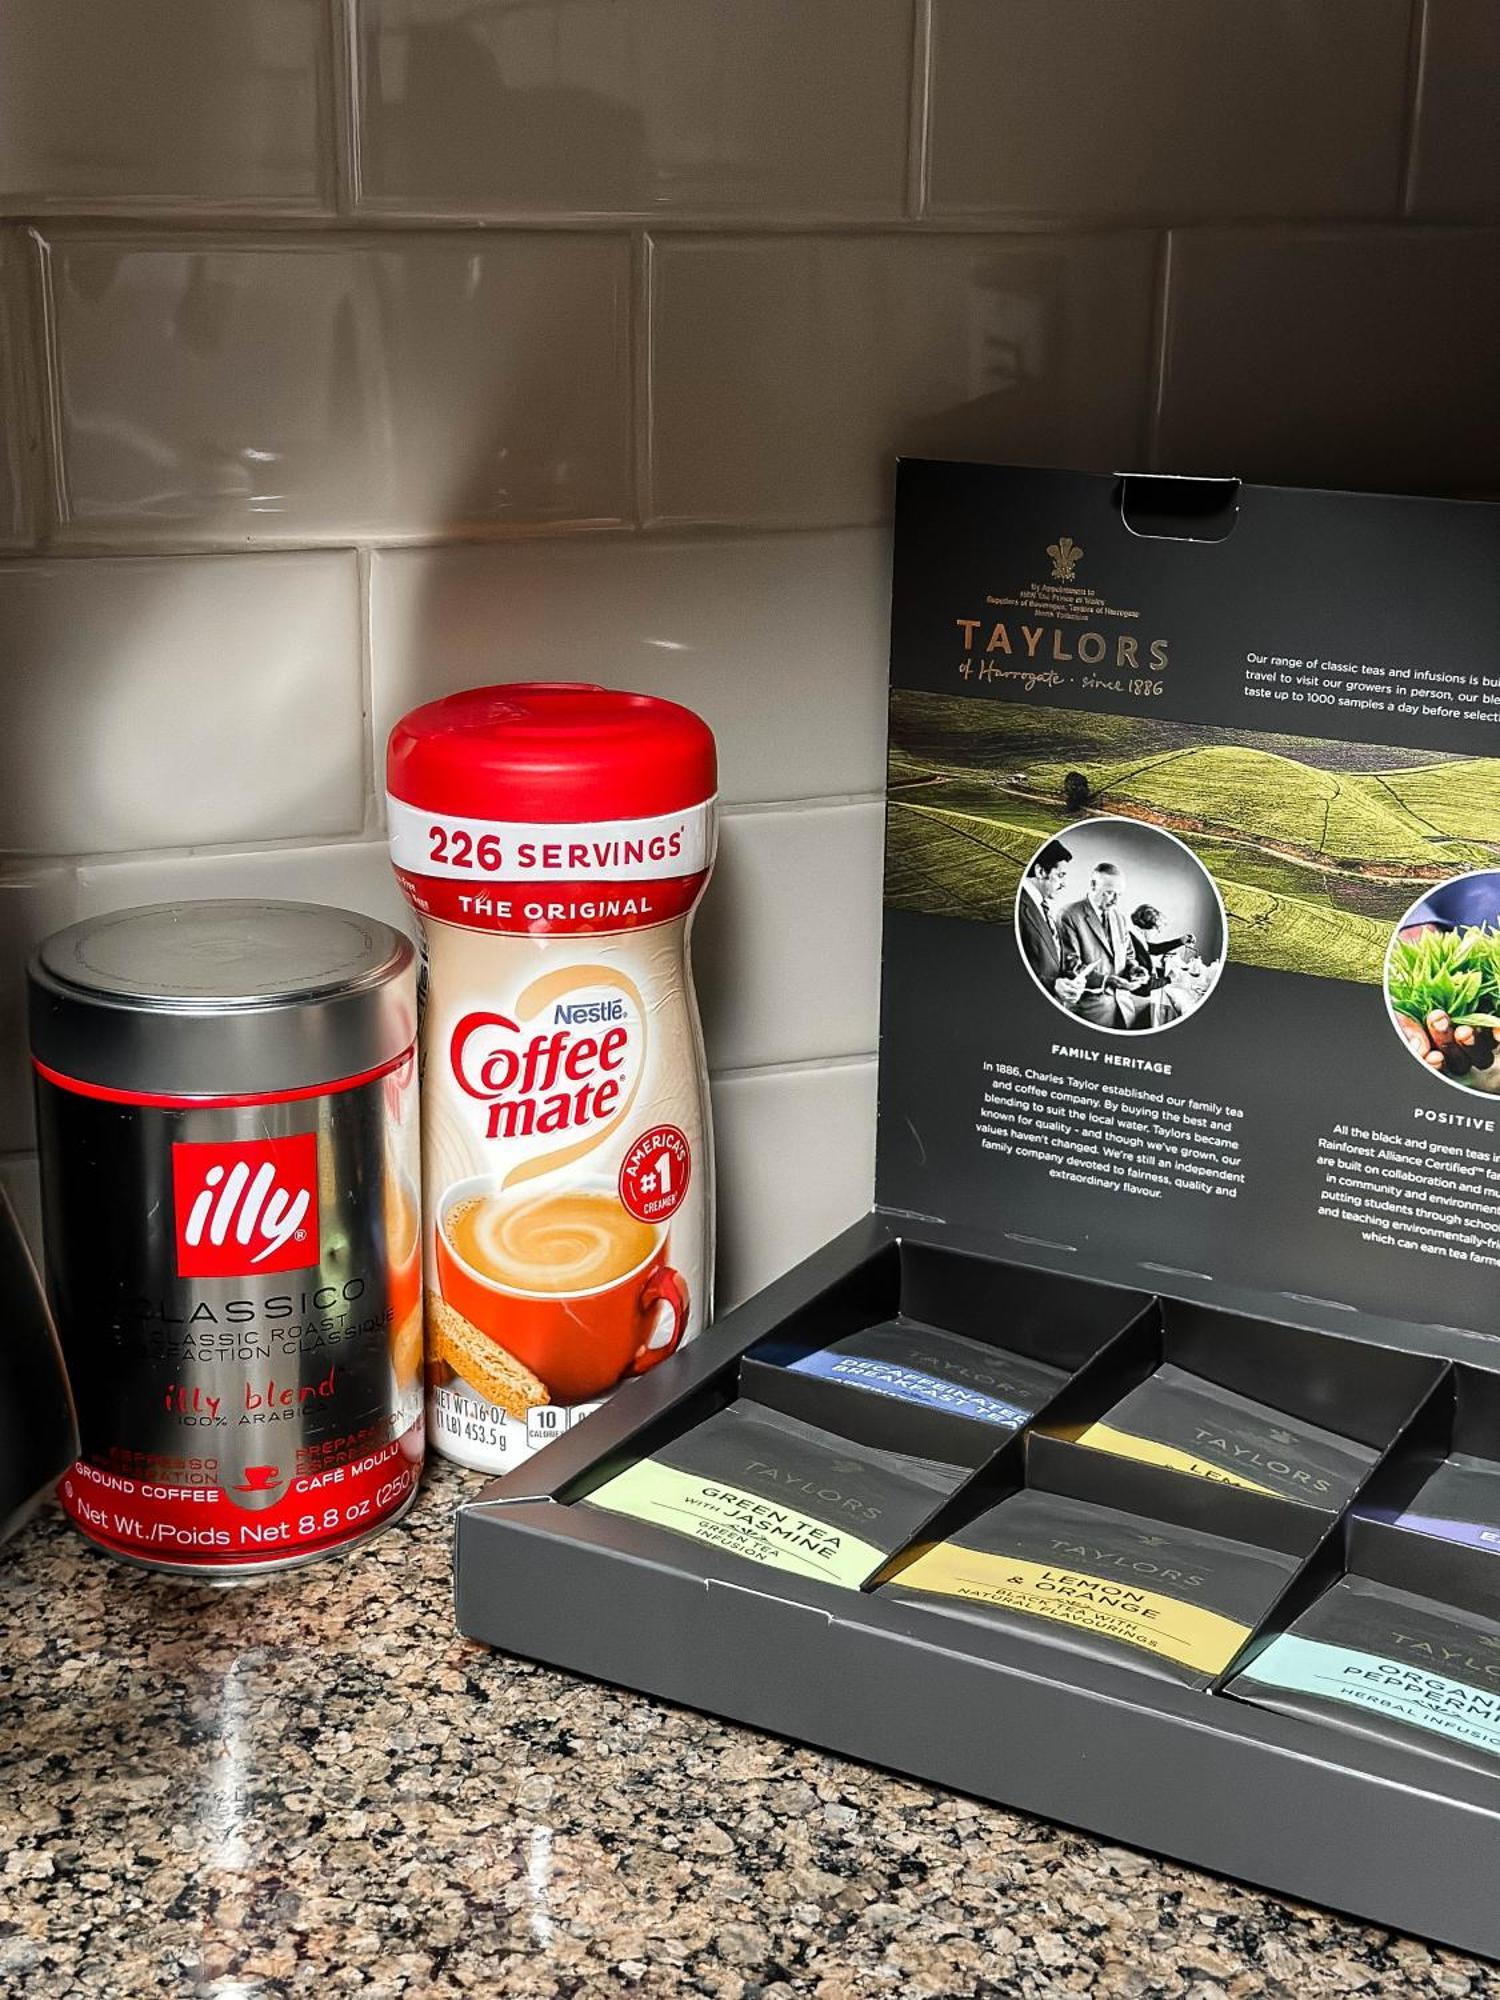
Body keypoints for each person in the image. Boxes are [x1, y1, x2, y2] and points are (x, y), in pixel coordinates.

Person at [1057, 863, 1150, 1028]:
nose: (1115, 901)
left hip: (1124, 1009)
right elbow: (1071, 966)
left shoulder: (1120, 918)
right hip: (1089, 1012)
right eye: (1110, 893)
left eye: (1119, 894)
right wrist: (1107, 981)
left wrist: (1135, 969)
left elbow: (1129, 956)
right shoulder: (1069, 915)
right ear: (1093, 885)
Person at [1017, 841, 1087, 1008]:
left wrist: (1072, 977)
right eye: (1061, 875)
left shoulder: (1043, 908)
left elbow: (1051, 960)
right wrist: (1052, 984)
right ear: (1040, 871)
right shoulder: (1017, 906)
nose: (1064, 883)